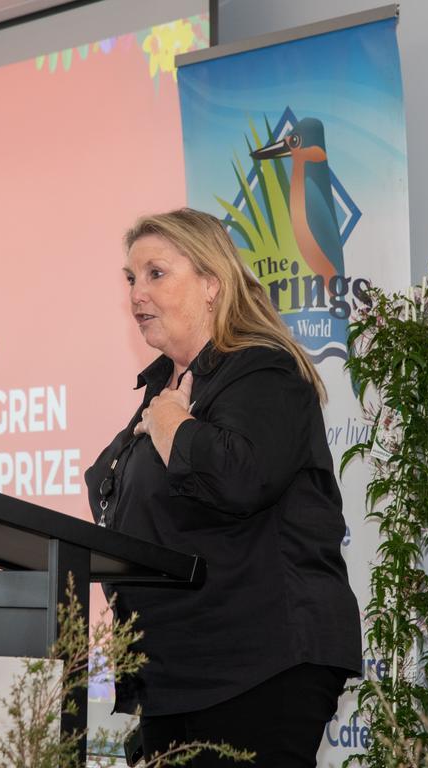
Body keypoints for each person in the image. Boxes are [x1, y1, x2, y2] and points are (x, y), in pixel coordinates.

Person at [86, 208, 362, 767]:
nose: (138, 292)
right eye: (131, 278)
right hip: (180, 672)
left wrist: (171, 425)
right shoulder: (167, 386)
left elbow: (239, 478)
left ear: (211, 283)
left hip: (258, 668)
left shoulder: (262, 371)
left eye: (156, 274)